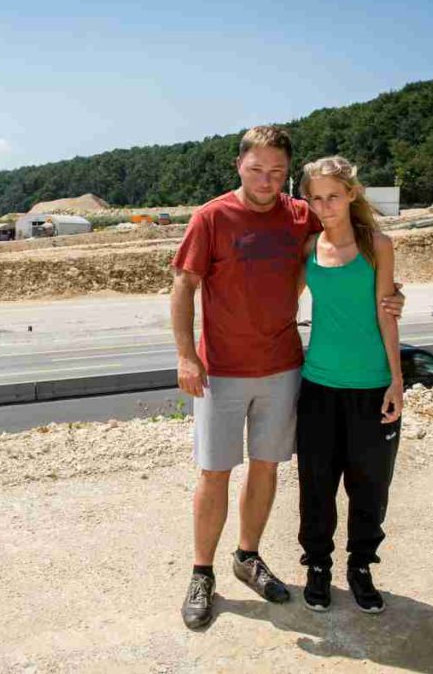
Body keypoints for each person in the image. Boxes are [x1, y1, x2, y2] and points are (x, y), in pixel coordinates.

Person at [171, 128, 404, 630]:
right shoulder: (211, 217)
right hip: (221, 372)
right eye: (257, 169)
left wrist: (391, 294)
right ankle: (202, 572)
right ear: (239, 165)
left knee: (267, 467)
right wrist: (187, 357)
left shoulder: (300, 215)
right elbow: (183, 285)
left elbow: (349, 253)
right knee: (214, 472)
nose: (266, 180)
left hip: (284, 368)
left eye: (277, 172)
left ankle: (247, 557)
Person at [295, 156, 403, 615]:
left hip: (371, 385)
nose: (325, 206)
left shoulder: (378, 245)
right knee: (316, 485)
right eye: (316, 198)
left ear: (352, 195)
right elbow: (280, 304)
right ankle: (317, 567)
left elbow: (386, 312)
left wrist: (396, 381)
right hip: (318, 386)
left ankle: (360, 567)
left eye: (333, 196)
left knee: (369, 486)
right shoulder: (306, 250)